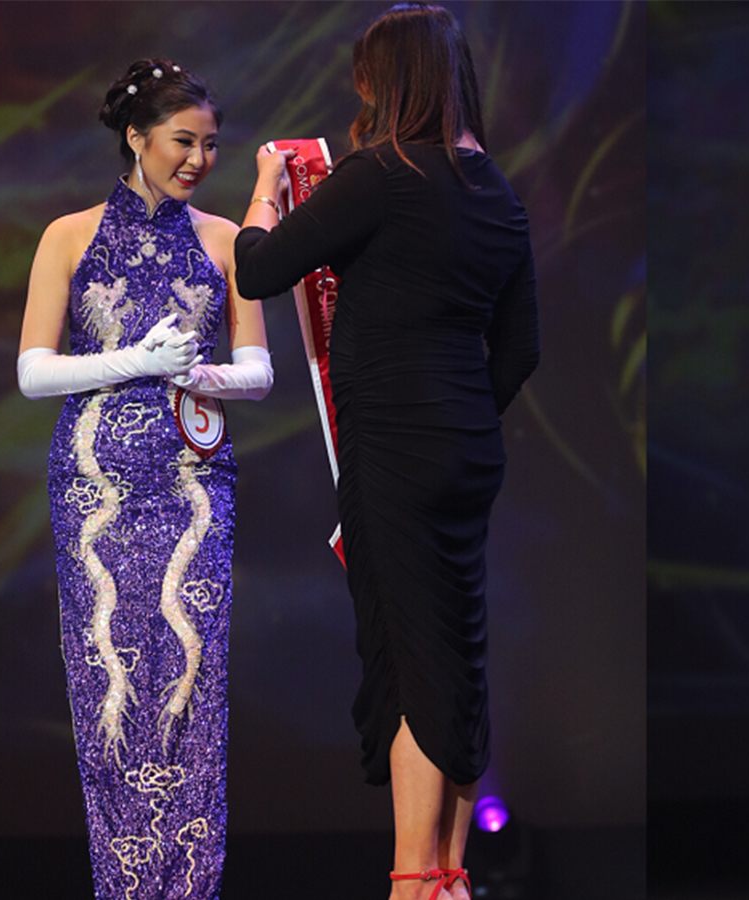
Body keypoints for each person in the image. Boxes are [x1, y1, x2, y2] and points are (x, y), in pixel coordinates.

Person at [231, 6, 538, 899]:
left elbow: (257, 268)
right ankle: (447, 876)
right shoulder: (499, 191)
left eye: (367, 78)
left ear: (389, 80)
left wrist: (265, 187)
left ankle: (413, 881)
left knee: (413, 662)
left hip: (395, 448)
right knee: (457, 652)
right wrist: (463, 412)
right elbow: (520, 351)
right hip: (468, 449)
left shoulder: (377, 176)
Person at [17, 59, 271, 899]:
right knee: (109, 683)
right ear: (135, 136)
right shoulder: (70, 234)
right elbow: (32, 373)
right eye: (181, 141)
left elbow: (262, 373)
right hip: (97, 483)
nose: (198, 158)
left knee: (192, 685)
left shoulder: (227, 240)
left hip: (196, 483)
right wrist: (135, 360)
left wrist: (194, 375)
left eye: (209, 144)